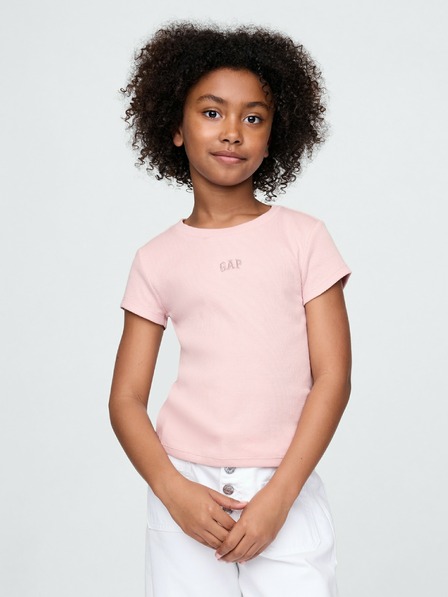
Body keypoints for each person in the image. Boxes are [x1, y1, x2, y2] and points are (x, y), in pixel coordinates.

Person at [109, 22, 352, 597]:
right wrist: (173, 491)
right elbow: (125, 399)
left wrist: (280, 497)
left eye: (254, 117)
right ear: (175, 127)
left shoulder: (305, 239)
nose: (233, 132)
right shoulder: (155, 258)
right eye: (212, 112)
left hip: (284, 486)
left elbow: (333, 378)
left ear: (274, 136)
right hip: (186, 490)